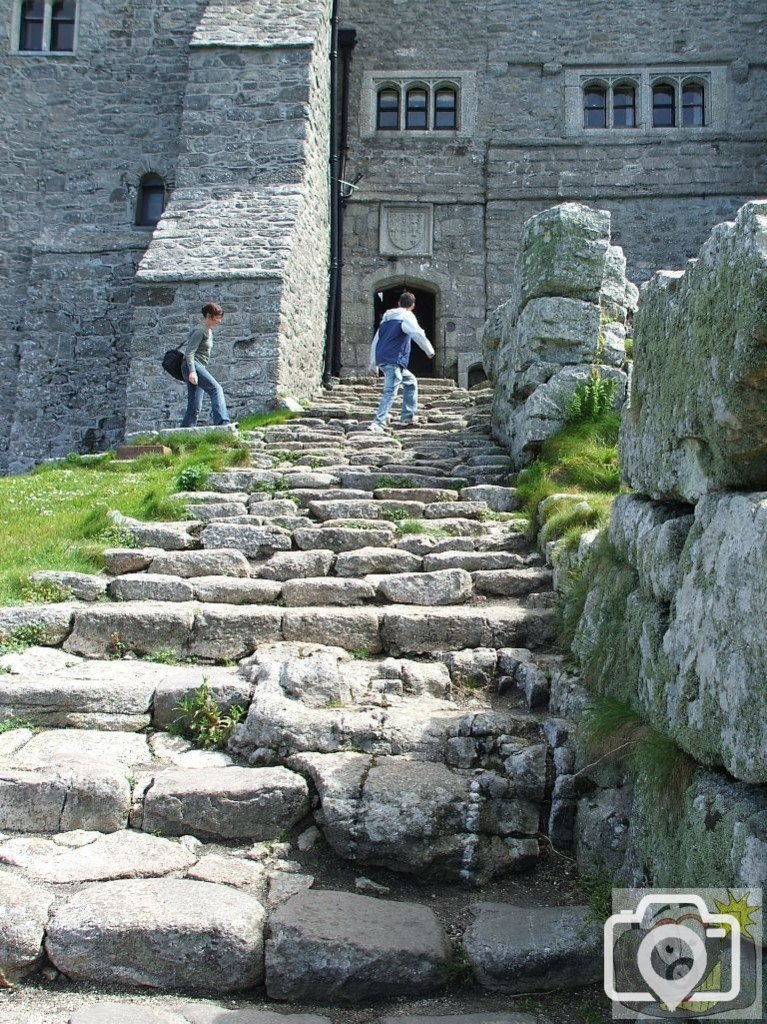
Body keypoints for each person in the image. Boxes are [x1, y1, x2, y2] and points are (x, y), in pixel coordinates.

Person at [368, 291, 435, 433]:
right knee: (390, 391)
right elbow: (416, 332)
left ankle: (407, 416)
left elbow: (376, 341)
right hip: (394, 359)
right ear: (413, 306)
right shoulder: (406, 316)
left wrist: (373, 364)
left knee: (411, 382)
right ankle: (378, 423)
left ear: (399, 303)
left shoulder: (386, 320)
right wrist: (429, 350)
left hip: (385, 359)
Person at [180, 302, 233, 428]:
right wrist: (192, 371)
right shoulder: (201, 331)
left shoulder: (209, 331)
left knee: (194, 406)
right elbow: (189, 352)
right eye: (217, 317)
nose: (219, 321)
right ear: (208, 315)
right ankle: (223, 423)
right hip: (192, 365)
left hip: (198, 366)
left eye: (220, 317)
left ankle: (185, 431)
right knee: (216, 389)